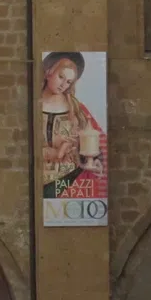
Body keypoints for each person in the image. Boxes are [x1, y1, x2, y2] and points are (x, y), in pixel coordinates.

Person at [40, 52, 107, 200]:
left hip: (70, 178)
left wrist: (92, 159)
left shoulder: (76, 108)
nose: (63, 85)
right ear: (48, 72)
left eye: (69, 82)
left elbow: (94, 143)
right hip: (36, 178)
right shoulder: (32, 106)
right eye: (61, 77)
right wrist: (52, 153)